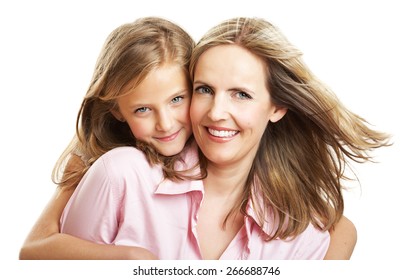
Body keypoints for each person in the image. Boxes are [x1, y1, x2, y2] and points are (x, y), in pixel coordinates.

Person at [19, 16, 362, 260]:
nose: (216, 112)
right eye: (204, 90)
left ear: (278, 107)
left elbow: (339, 229)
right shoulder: (121, 173)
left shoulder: (298, 229)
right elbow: (37, 254)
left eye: (241, 94)